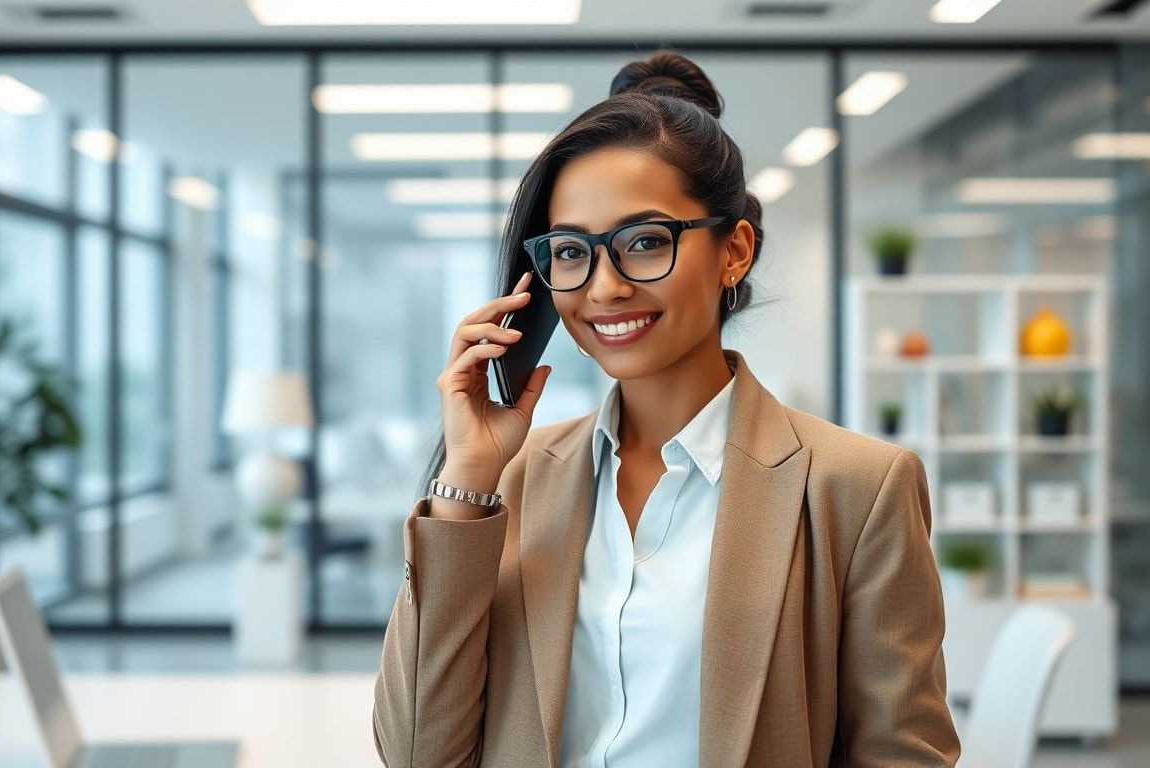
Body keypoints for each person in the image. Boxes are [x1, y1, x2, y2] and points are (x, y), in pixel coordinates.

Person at [373, 49, 960, 768]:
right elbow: (414, 755)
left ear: (734, 251)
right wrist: (466, 478)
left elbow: (903, 756)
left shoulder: (857, 489)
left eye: (645, 242)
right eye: (570, 251)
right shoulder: (514, 480)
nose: (605, 287)